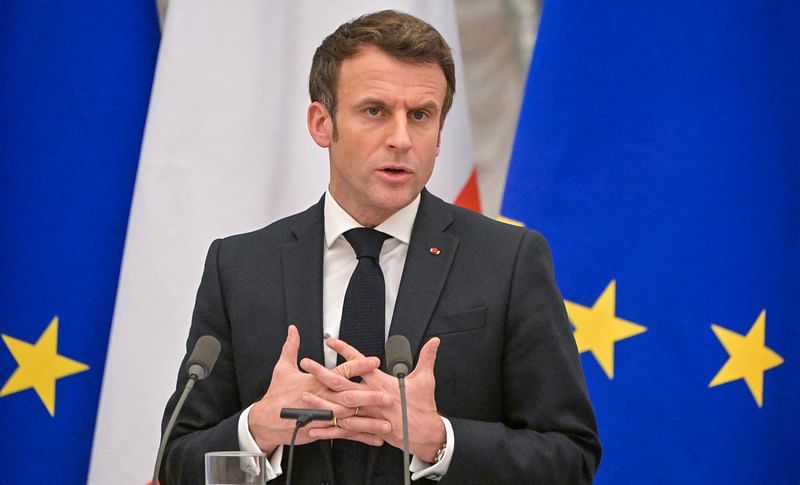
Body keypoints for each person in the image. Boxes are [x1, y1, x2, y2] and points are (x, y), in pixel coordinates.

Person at [160, 9, 601, 485]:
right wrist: (256, 430)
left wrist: (440, 440)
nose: (400, 139)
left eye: (421, 115)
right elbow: (176, 460)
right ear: (321, 123)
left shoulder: (508, 260)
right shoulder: (241, 266)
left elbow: (570, 459)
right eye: (374, 111)